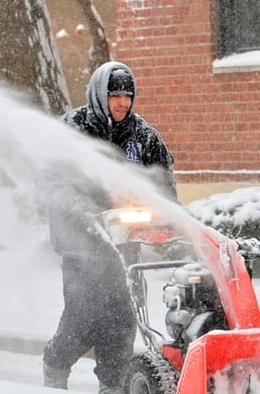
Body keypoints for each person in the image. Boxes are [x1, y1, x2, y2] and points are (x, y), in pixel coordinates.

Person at [42, 61, 176, 394]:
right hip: (81, 245)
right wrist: (80, 210)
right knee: (82, 319)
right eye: (115, 94)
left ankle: (112, 386)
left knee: (121, 322)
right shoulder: (73, 128)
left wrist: (165, 216)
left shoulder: (142, 136)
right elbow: (53, 180)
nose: (122, 102)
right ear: (100, 94)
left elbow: (163, 182)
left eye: (128, 95)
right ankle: (55, 366)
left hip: (125, 246)